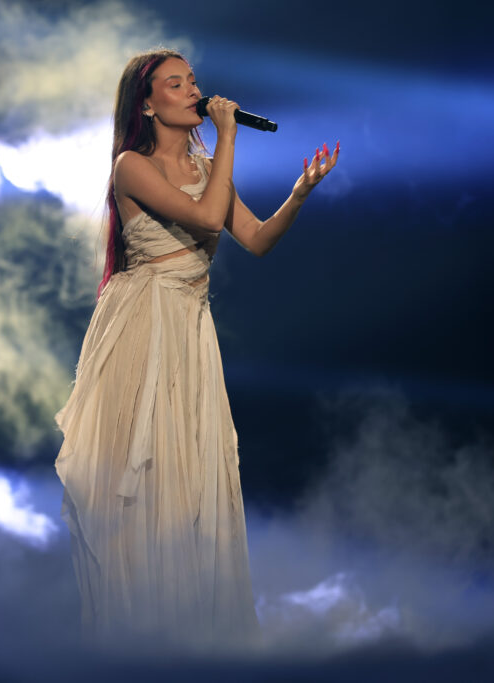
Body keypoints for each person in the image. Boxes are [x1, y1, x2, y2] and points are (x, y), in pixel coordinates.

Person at [52, 47, 339, 652]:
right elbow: (209, 219)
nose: (192, 91)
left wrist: (300, 193)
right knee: (144, 481)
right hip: (142, 329)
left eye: (193, 82)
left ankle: (189, 639)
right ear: (149, 105)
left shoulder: (210, 164)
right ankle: (136, 638)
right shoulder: (132, 165)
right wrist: (230, 132)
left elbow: (255, 240)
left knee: (193, 480)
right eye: (174, 84)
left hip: (189, 332)